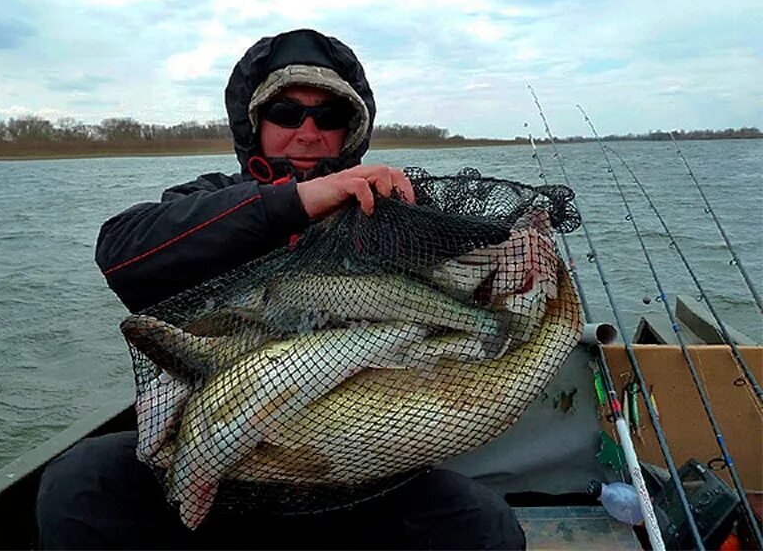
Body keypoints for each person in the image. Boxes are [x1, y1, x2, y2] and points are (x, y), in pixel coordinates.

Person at [36, 28, 526, 550]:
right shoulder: (211, 201)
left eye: (330, 116)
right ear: (256, 124)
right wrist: (296, 200)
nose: (308, 132)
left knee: (484, 526)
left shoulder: (394, 209)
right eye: (287, 114)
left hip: (363, 473)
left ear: (352, 131)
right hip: (226, 472)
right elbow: (121, 253)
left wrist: (519, 262)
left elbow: (479, 273)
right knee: (81, 484)